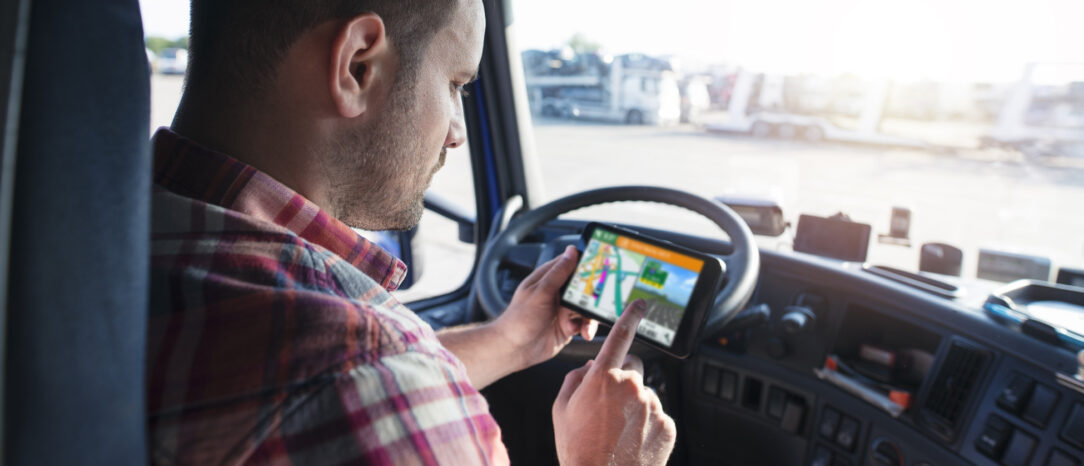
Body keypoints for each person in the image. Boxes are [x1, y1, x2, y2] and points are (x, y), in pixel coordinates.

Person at [147, 0, 676, 463]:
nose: (457, 133)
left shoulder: (120, 236)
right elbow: (362, 379)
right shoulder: (364, 378)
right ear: (357, 65)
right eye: (455, 84)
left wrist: (510, 340)